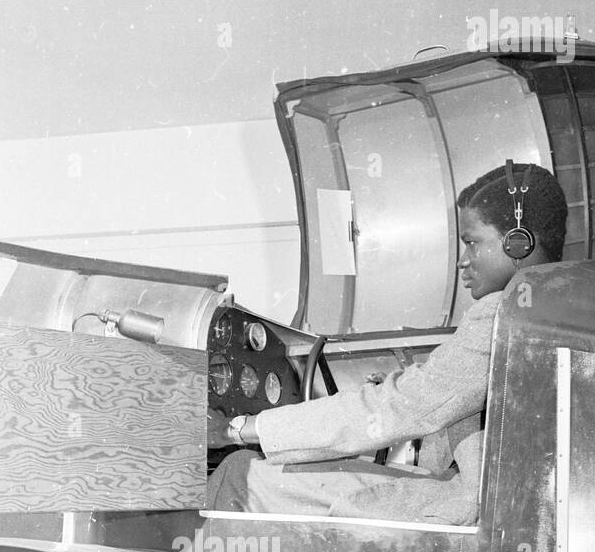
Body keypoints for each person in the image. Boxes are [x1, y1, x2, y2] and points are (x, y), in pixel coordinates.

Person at [205, 161, 570, 523]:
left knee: (241, 476)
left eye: (472, 243)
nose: (463, 261)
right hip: (481, 496)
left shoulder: (503, 313)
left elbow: (400, 407)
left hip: (471, 506)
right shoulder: (550, 300)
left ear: (517, 243)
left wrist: (233, 429)